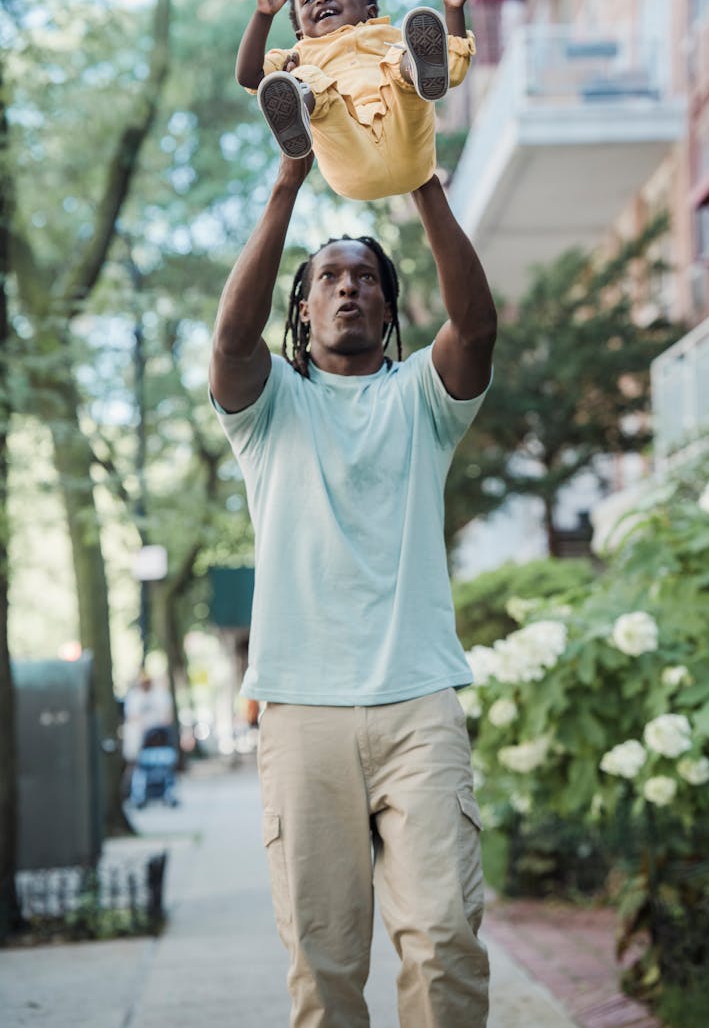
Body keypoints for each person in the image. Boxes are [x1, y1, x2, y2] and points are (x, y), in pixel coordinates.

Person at [208, 148, 497, 1028]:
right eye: (327, 277)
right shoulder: (266, 407)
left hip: (419, 704)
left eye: (364, 277)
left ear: (388, 304)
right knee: (325, 964)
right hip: (301, 712)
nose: (345, 289)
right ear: (301, 307)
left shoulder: (425, 397)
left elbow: (477, 326)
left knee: (445, 936)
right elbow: (228, 339)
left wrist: (419, 179)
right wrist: (288, 183)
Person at [235, 0, 475, 200]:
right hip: (353, 162)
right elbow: (249, 76)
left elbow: (453, 70)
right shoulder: (300, 53)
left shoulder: (389, 36)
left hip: (408, 145)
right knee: (304, 78)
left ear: (369, 11)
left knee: (402, 56)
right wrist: (263, 15)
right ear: (300, 33)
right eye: (308, 0)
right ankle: (296, 105)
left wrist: (453, 9)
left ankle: (415, 70)